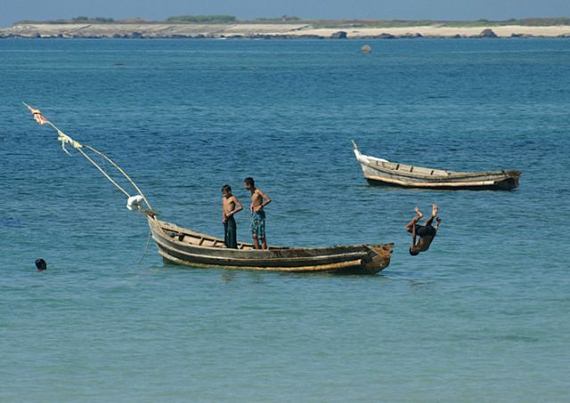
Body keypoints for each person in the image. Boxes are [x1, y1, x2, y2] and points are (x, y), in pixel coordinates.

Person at [244, 177, 272, 249]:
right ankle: (257, 251)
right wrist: (251, 205)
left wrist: (261, 206)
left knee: (261, 236)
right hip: (254, 215)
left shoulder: (258, 191)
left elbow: (268, 199)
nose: (245, 187)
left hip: (260, 215)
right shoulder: (252, 192)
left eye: (245, 185)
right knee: (254, 235)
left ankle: (264, 252)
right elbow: (255, 200)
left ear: (249, 185)